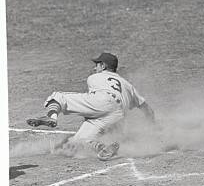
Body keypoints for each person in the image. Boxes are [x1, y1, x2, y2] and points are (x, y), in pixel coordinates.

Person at [26, 52, 155, 160]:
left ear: (103, 66)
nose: (95, 68)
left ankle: (52, 117)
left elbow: (96, 106)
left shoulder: (94, 77)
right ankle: (102, 147)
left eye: (97, 65)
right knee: (77, 141)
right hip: (118, 116)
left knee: (58, 96)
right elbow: (148, 110)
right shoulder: (127, 85)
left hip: (103, 102)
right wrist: (152, 128)